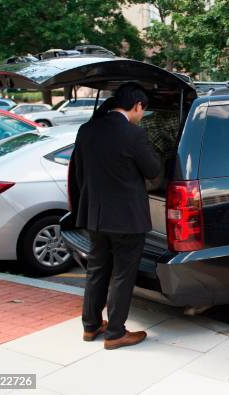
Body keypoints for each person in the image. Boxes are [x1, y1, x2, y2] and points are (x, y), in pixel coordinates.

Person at [69, 82, 161, 350]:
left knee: (97, 269)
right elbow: (153, 169)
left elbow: (78, 172)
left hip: (94, 215)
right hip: (126, 218)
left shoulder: (86, 130)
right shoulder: (133, 134)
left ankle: (90, 326)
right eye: (143, 110)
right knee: (122, 273)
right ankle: (116, 333)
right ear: (137, 106)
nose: (142, 115)